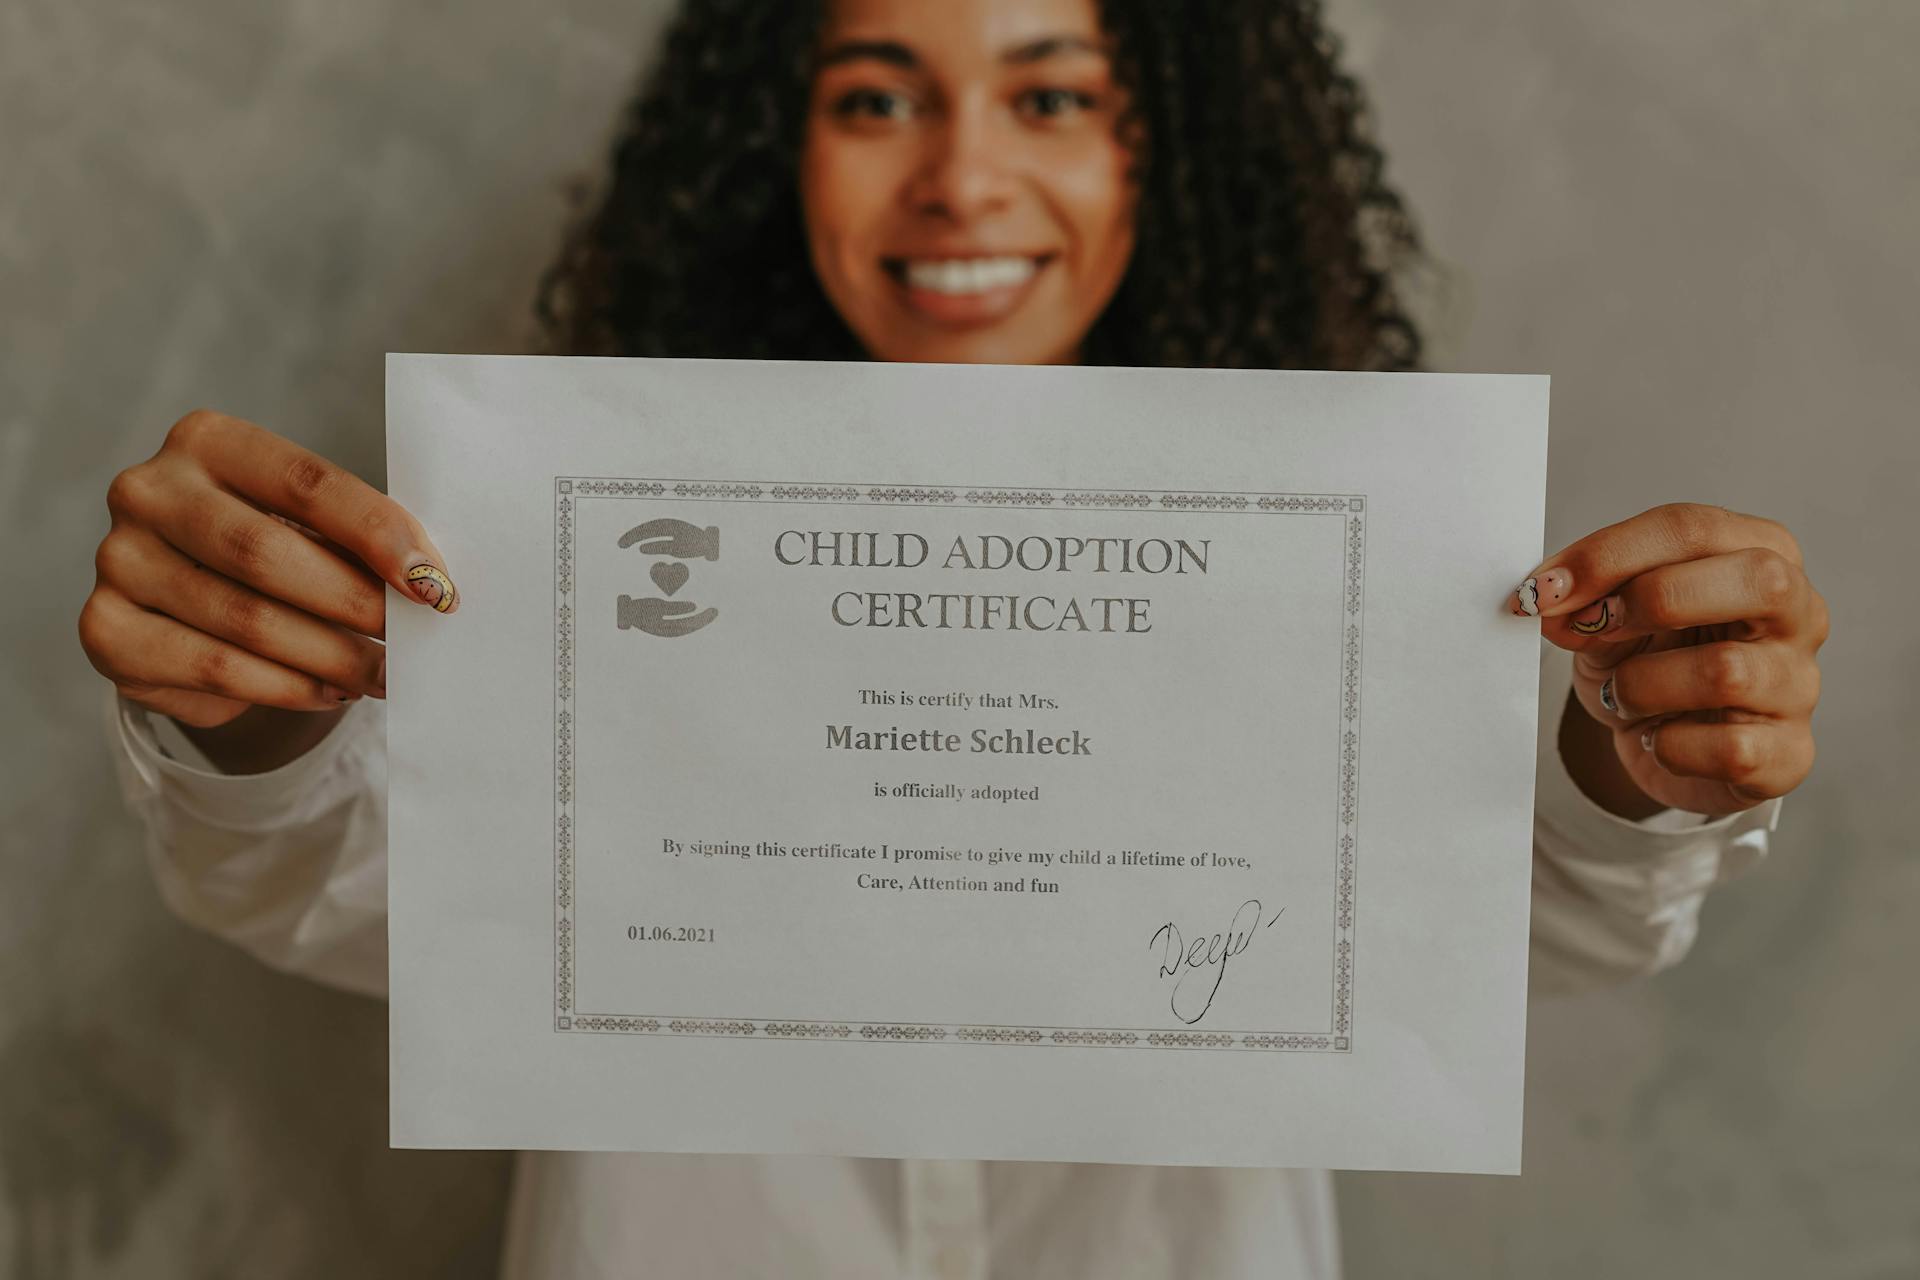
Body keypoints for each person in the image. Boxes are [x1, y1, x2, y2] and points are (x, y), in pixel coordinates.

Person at [77, 0, 1828, 1275]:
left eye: (1053, 93)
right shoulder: (579, 554)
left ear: (1171, 152)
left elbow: (1527, 944)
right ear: (784, 150)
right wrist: (243, 705)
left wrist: (1636, 753)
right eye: (875, 95)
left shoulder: (1332, 580)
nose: (962, 178)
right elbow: (333, 890)